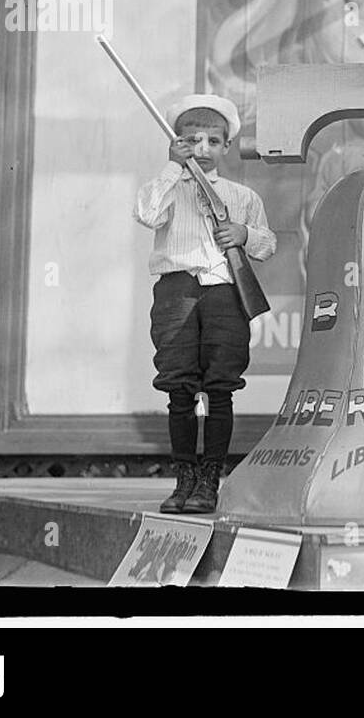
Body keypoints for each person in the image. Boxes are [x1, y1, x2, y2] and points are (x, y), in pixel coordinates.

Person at [134, 95, 277, 513]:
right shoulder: (167, 187)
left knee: (220, 388)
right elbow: (145, 212)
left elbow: (268, 244)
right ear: (178, 142)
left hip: (224, 294)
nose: (203, 148)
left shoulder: (242, 196)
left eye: (213, 141)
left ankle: (210, 479)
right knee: (179, 387)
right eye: (192, 140)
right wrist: (170, 168)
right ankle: (183, 480)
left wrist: (243, 234)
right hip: (176, 292)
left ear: (226, 147)